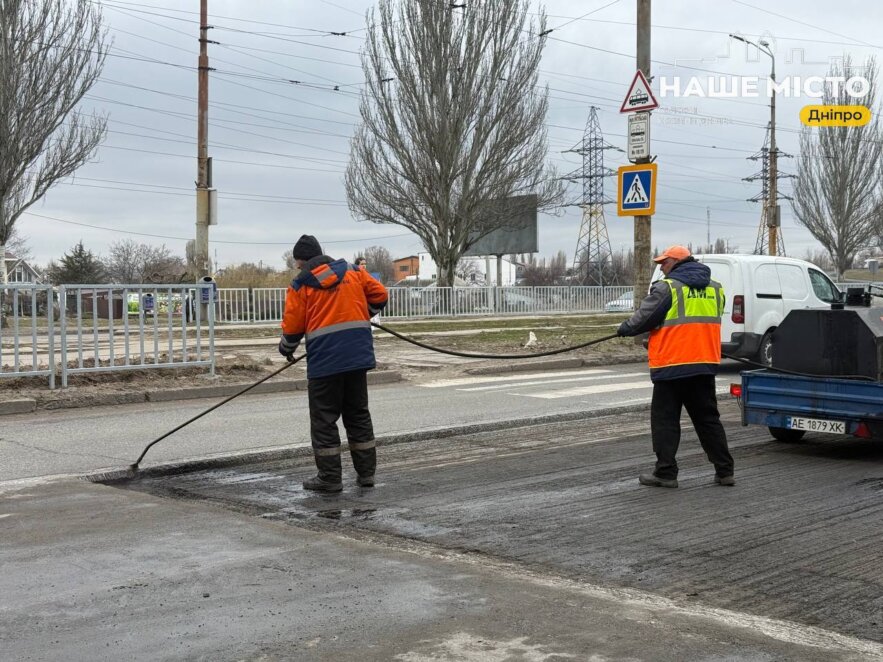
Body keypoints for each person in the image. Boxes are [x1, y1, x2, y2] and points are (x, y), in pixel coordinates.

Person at [617, 245, 735, 488]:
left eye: (664, 262)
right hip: (703, 363)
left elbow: (645, 318)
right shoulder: (715, 288)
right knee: (707, 419)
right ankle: (725, 471)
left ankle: (666, 472)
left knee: (665, 420)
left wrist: (625, 328)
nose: (661, 267)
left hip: (672, 364)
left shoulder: (668, 287)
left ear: (677, 262)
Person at [279, 235, 389, 493]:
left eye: (297, 263)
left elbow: (293, 326)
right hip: (357, 356)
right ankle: (366, 475)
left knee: (324, 419)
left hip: (325, 362)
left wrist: (286, 348)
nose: (297, 268)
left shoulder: (301, 284)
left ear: (302, 262)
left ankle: (329, 478)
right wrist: (366, 312)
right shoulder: (353, 272)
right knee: (358, 414)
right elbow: (380, 296)